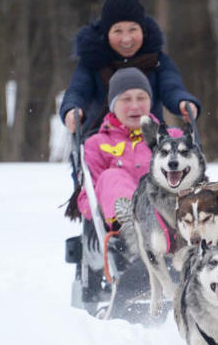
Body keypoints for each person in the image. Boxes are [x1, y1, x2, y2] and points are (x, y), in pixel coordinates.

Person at [60, 0, 199, 134]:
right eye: (118, 31)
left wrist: (183, 102)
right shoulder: (92, 62)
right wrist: (72, 108)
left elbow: (172, 87)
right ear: (106, 34)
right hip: (101, 138)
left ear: (143, 31)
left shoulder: (157, 60)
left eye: (133, 29)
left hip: (149, 137)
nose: (126, 39)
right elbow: (78, 90)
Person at [77, 67, 181, 226]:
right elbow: (86, 199)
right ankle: (130, 218)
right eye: (126, 99)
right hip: (122, 230)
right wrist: (106, 204)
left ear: (150, 102)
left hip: (170, 217)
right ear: (113, 105)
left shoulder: (172, 137)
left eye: (141, 98)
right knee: (111, 177)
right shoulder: (97, 144)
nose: (135, 106)